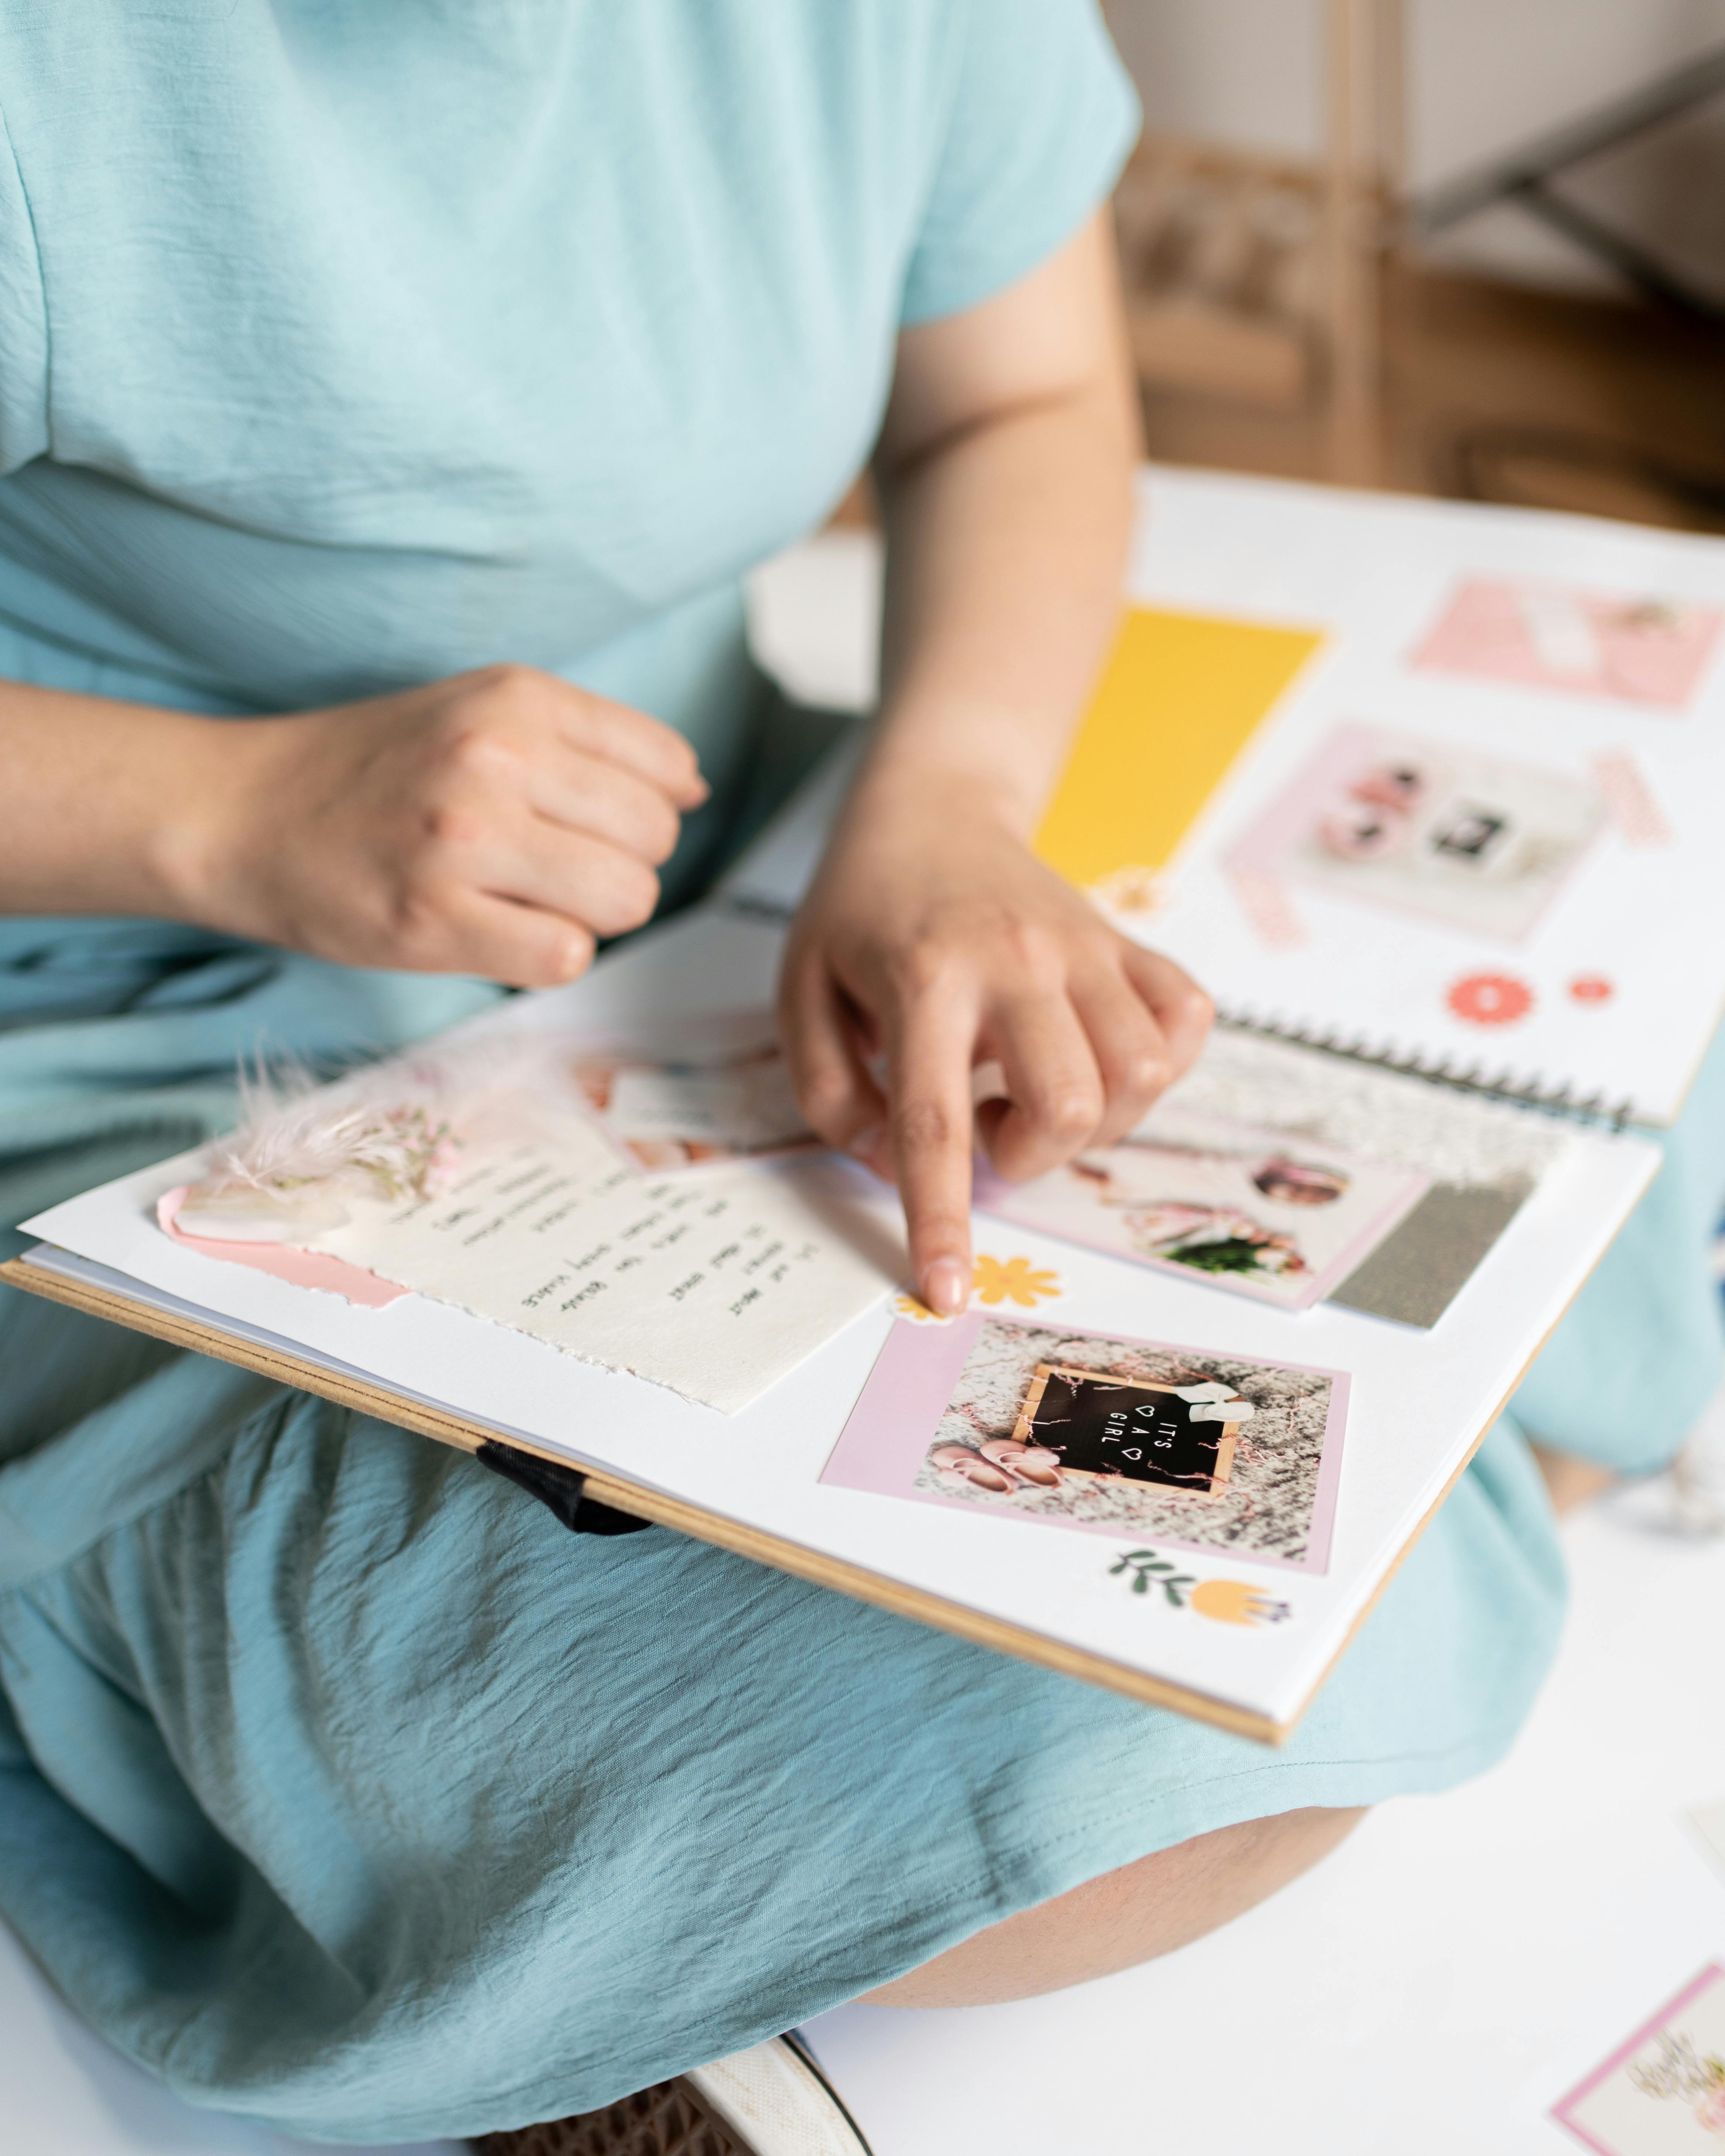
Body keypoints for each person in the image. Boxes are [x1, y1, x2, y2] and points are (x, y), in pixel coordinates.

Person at [0, 7, 1720, 2152]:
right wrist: (224, 814)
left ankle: (1416, 1519)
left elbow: (1020, 395)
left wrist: (945, 805)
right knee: (1084, 1772)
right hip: (116, 1050)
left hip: (731, 870)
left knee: (1619, 1050)